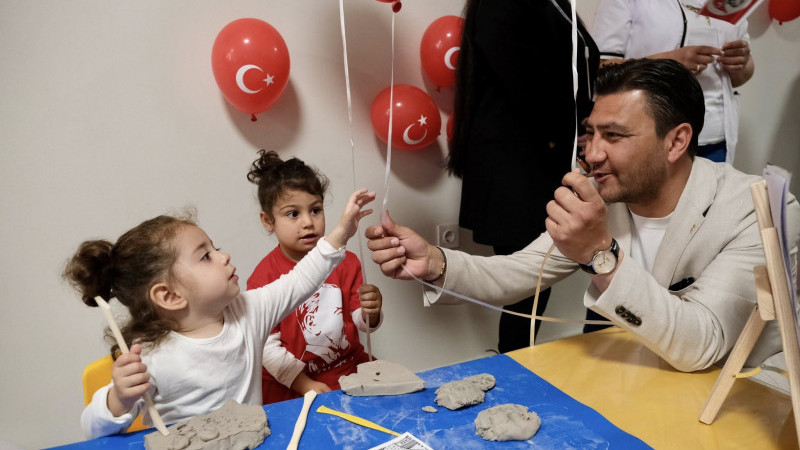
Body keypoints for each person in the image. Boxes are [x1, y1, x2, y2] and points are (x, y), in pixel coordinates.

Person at [366, 58, 800, 373]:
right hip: (642, 380)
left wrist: (599, 255)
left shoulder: (755, 210)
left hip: (738, 396)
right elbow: (518, 271)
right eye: (590, 134)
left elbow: (703, 346)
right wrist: (436, 263)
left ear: (676, 142)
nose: (592, 154)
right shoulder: (606, 196)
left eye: (614, 136)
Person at [64, 189, 375, 439]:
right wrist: (118, 400)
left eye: (215, 248)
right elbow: (91, 431)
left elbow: (301, 280)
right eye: (206, 256)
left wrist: (341, 232)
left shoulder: (249, 312)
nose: (224, 256)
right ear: (170, 296)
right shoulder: (149, 357)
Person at [447, 0, 599, 351]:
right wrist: (581, 130)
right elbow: (524, 83)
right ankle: (513, 368)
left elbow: (572, 71)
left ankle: (515, 365)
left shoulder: (556, 3)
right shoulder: (498, 4)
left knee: (532, 289)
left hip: (540, 160)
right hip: (517, 167)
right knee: (527, 286)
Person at [246, 150, 383, 404]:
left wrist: (371, 312)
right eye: (293, 214)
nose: (308, 222)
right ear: (268, 221)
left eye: (316, 210)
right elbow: (267, 349)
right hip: (294, 384)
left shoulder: (347, 260)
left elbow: (361, 323)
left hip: (348, 370)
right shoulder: (263, 278)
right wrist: (305, 385)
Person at [591, 0, 754, 163]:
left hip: (715, 139)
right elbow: (599, 68)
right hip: (649, 132)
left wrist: (740, 63)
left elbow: (741, 76)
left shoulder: (731, 3)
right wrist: (668, 62)